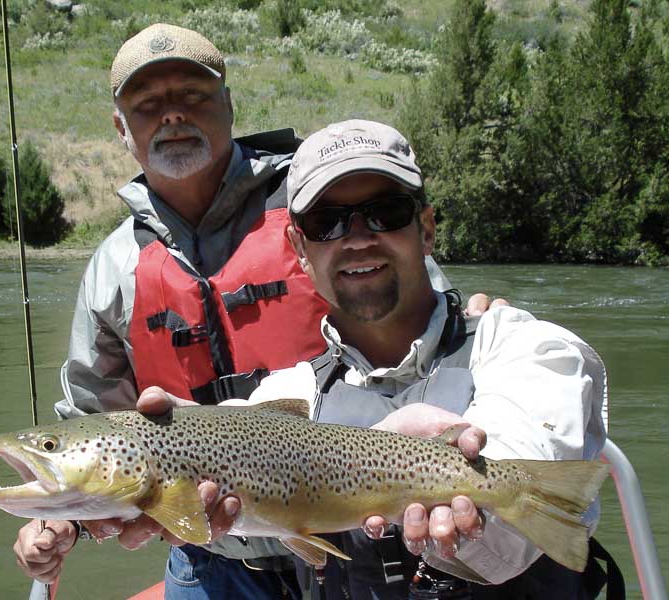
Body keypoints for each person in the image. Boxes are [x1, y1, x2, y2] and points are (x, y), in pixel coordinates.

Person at [11, 25, 495, 600]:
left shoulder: (320, 206)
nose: (172, 116)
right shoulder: (113, 268)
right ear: (121, 127)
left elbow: (423, 311)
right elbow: (95, 424)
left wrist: (479, 318)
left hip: (359, 541)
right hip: (211, 560)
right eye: (148, 105)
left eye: (193, 96)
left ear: (228, 104)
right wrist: (64, 516)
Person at [223, 119, 614, 598]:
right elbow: (222, 450)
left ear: (425, 230)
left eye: (385, 213)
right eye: (329, 222)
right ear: (300, 250)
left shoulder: (521, 347)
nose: (359, 238)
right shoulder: (289, 394)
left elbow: (522, 488)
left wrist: (427, 475)